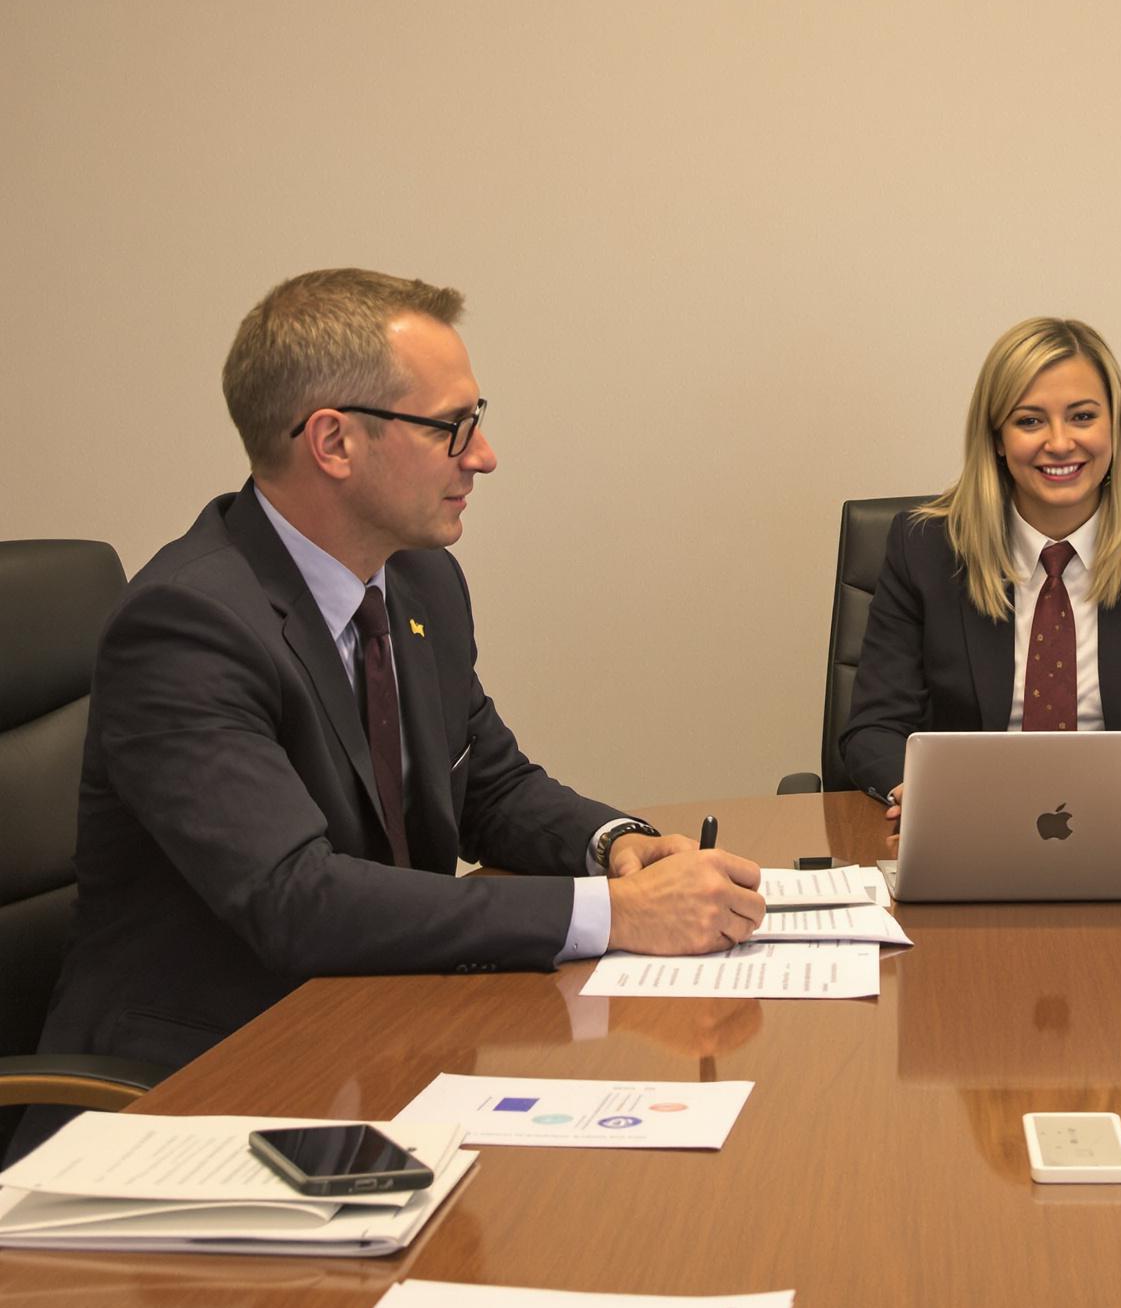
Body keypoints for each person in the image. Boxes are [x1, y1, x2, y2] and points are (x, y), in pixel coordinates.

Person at [37, 268, 766, 1077]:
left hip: (383, 1040)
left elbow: (488, 786)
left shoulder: (420, 581)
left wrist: (617, 847)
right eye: (451, 427)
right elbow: (294, 898)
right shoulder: (186, 625)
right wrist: (613, 914)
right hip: (199, 1086)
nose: (483, 456)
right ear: (334, 442)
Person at [841, 315, 1121, 815]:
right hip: (971, 823)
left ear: (1115, 425)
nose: (1060, 442)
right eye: (1029, 420)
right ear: (997, 439)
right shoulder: (925, 548)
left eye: (1083, 416)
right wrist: (919, 793)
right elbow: (873, 728)